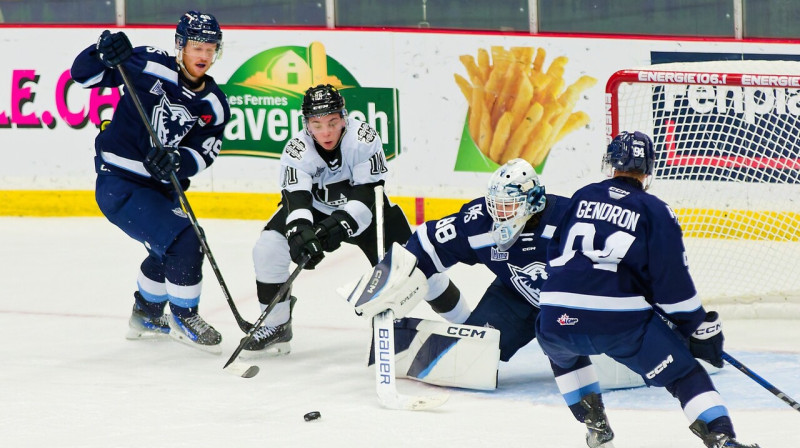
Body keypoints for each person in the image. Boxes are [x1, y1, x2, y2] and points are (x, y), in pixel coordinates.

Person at [535, 131, 759, 448]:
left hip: (556, 317)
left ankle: (595, 425)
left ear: (610, 164)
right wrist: (695, 328)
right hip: (619, 324)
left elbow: (554, 258)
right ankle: (721, 437)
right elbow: (673, 286)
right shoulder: (655, 210)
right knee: (684, 374)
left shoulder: (582, 196)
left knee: (562, 353)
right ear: (648, 169)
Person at [356, 158, 643, 391]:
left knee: (611, 373)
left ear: (532, 200)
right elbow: (427, 244)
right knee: (465, 359)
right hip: (515, 297)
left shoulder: (574, 220)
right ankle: (400, 343)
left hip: (575, 304)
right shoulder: (480, 221)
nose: (498, 214)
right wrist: (390, 282)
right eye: (495, 204)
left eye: (507, 206)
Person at [70, 11, 230, 353]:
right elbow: (83, 77)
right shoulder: (149, 64)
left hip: (160, 187)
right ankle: (185, 317)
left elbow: (205, 150)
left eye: (210, 49)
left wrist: (178, 160)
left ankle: (147, 313)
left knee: (167, 250)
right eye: (197, 47)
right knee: (186, 241)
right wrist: (101, 51)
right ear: (180, 46)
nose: (203, 56)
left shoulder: (214, 104)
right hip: (120, 182)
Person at [247, 84, 412, 356]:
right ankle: (276, 325)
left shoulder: (363, 138)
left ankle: (468, 322)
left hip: (367, 212)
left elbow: (368, 193)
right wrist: (301, 232)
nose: (325, 131)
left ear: (344, 117)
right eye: (317, 124)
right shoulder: (297, 149)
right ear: (307, 124)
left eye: (332, 122)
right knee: (268, 248)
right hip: (317, 209)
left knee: (412, 265)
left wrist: (334, 227)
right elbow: (296, 199)